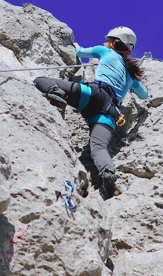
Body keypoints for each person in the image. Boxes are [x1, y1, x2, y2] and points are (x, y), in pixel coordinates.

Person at [34, 26, 148, 199]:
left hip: (92, 95)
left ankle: (57, 95)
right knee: (99, 148)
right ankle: (108, 175)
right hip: (110, 112)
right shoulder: (131, 75)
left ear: (112, 42)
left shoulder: (104, 51)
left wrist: (77, 47)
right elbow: (143, 95)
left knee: (41, 80)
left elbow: (81, 53)